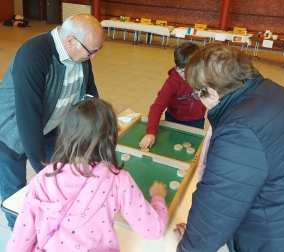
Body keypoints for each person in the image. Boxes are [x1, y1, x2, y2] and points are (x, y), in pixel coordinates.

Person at [174, 43, 284, 251]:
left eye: (198, 94)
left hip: (277, 237)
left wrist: (188, 247)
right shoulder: (277, 92)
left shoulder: (239, 133)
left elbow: (217, 206)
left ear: (212, 94)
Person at [6, 97, 168, 252]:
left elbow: (17, 246)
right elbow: (154, 230)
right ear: (110, 139)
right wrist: (158, 197)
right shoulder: (118, 180)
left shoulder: (44, 176)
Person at [0, 13, 105, 230]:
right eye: (91, 51)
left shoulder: (80, 54)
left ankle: (52, 227)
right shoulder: (34, 54)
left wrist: (99, 129)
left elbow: (89, 93)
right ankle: (19, 234)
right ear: (70, 41)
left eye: (97, 51)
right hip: (10, 133)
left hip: (50, 129)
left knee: (59, 177)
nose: (93, 57)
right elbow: (27, 117)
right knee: (14, 190)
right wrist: (41, 169)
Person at [139, 42, 206, 149]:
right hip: (173, 119)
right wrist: (151, 132)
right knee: (170, 147)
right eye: (180, 69)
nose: (183, 74)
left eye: (187, 70)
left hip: (196, 121)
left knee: (193, 149)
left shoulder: (205, 79)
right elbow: (157, 107)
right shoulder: (172, 82)